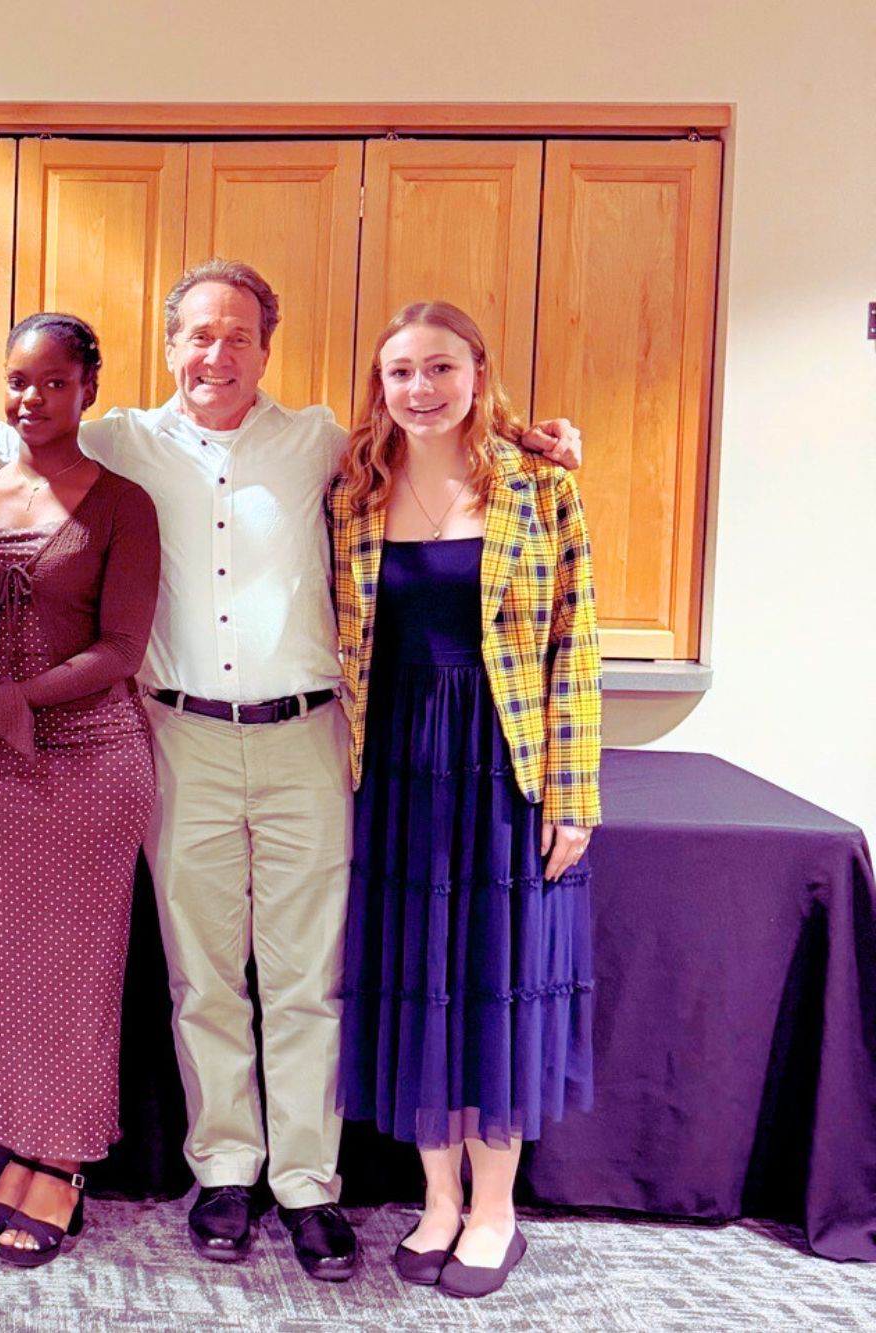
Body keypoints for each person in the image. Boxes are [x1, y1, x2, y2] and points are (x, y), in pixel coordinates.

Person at [0, 257, 579, 1282]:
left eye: (238, 334)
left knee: (304, 979)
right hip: (179, 737)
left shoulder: (320, 440)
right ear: (169, 347)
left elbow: (431, 432)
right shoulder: (121, 443)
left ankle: (307, 1184)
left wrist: (533, 439)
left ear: (265, 348)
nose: (216, 353)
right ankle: (226, 1172)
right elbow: (0, 430)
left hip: (306, 737)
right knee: (201, 975)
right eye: (199, 334)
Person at [329, 300, 598, 1298]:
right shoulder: (352, 488)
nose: (420, 388)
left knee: (493, 975)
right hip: (395, 769)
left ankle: (495, 1210)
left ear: (478, 372)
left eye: (440, 367)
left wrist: (572, 796)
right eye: (400, 371)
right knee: (415, 975)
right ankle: (436, 1198)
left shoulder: (541, 484)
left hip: (503, 764)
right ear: (380, 385)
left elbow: (575, 645)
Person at [0, 314, 158, 1269]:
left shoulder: (124, 504)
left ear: (88, 388)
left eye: (55, 382)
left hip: (95, 757)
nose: (32, 398)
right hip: (3, 762)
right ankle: (17, 1146)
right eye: (19, 381)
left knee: (78, 968)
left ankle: (65, 1159)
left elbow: (120, 651)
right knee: (7, 966)